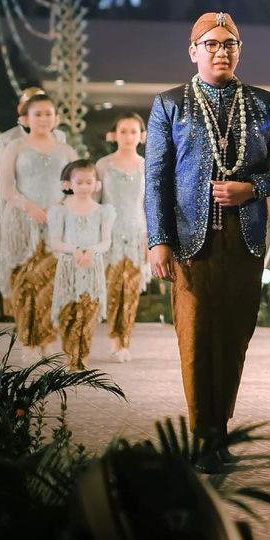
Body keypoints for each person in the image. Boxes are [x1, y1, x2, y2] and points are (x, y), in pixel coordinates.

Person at [144, 12, 270, 472]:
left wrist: (253, 188)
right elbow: (156, 178)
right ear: (194, 51)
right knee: (195, 337)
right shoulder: (170, 104)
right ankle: (202, 435)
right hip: (190, 242)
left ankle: (220, 429)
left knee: (234, 337)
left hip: (245, 240)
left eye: (229, 44)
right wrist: (158, 240)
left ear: (239, 51)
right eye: (211, 44)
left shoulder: (265, 103)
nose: (221, 52)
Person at [0, 94, 74, 359]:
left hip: (55, 225)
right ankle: (27, 341)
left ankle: (47, 338)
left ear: (56, 119)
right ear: (25, 119)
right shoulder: (15, 147)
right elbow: (5, 185)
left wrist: (59, 208)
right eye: (37, 114)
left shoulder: (66, 151)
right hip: (22, 222)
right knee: (24, 282)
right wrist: (28, 206)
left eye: (48, 113)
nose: (43, 119)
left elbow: (75, 187)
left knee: (51, 283)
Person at [49, 160, 114, 371]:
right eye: (79, 182)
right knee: (68, 314)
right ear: (69, 184)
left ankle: (83, 357)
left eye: (89, 182)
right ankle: (69, 356)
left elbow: (106, 242)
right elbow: (55, 242)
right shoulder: (61, 210)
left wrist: (91, 251)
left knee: (88, 313)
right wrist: (75, 250)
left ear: (96, 184)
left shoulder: (103, 211)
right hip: (69, 268)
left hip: (92, 268)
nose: (84, 187)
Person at [96, 113, 148, 363]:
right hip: (110, 235)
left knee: (131, 291)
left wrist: (151, 240)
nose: (128, 136)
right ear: (114, 135)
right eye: (123, 131)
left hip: (138, 233)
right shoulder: (103, 165)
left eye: (133, 131)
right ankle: (114, 339)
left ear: (142, 136)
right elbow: (94, 202)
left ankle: (124, 341)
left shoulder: (147, 165)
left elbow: (150, 205)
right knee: (113, 288)